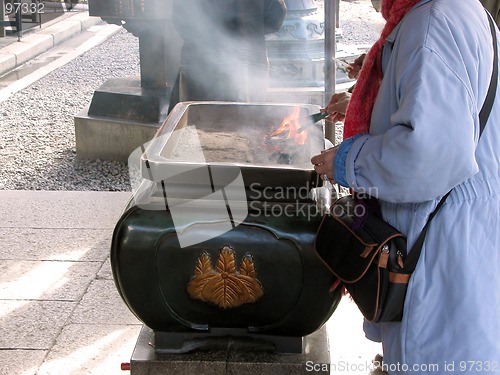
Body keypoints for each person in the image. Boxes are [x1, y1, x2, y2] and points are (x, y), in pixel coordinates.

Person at [311, 0, 500, 374]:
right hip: (454, 221)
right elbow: (440, 105)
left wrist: (348, 161)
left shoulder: (433, 23)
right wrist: (360, 104)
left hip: (441, 234)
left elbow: (430, 153)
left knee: (435, 358)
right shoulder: (446, 11)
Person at [168, 0, 286, 112]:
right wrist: (250, 31)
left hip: (200, 64)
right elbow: (276, 17)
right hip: (248, 63)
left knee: (194, 122)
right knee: (245, 124)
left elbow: (180, 20)